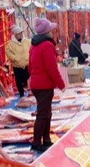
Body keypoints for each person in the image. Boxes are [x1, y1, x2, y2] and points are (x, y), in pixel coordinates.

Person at [28, 16, 65, 152]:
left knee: (46, 113)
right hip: (44, 85)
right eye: (51, 30)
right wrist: (61, 84)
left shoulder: (34, 45)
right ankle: (37, 142)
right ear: (47, 32)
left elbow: (30, 66)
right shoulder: (47, 46)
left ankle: (46, 139)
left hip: (37, 84)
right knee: (43, 114)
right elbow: (52, 68)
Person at [6, 24, 30, 97]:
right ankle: (21, 94)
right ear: (16, 34)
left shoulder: (26, 41)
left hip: (26, 63)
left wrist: (29, 57)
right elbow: (8, 52)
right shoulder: (10, 43)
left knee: (28, 79)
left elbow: (31, 49)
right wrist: (14, 58)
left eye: (21, 33)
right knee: (18, 81)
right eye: (19, 33)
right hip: (17, 65)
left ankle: (30, 92)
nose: (21, 34)